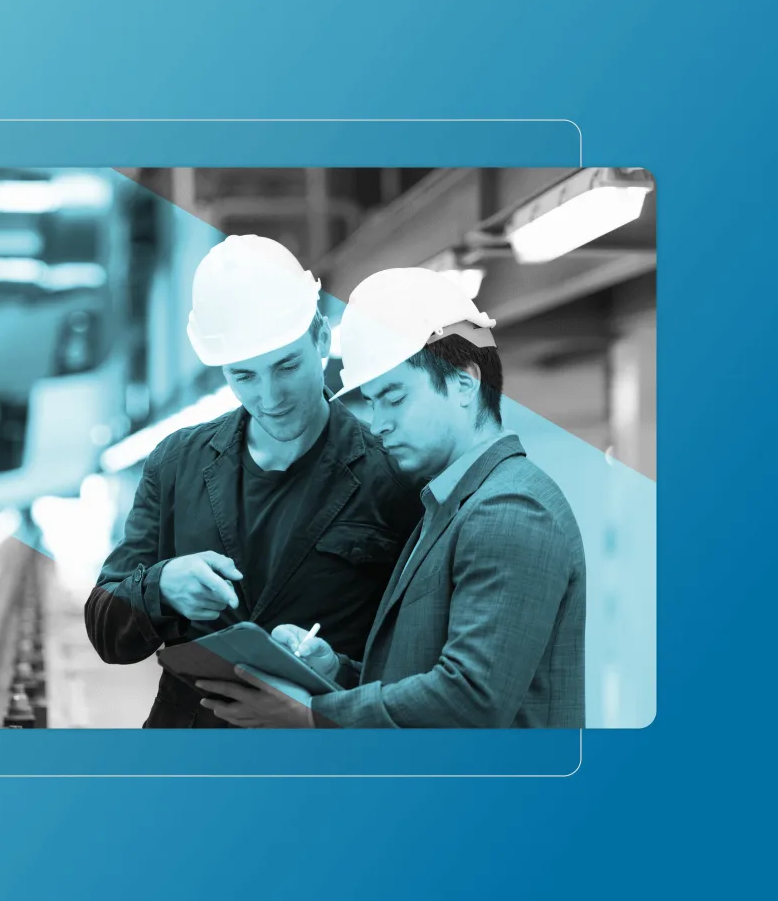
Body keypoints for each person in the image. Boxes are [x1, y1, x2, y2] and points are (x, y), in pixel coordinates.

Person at [197, 267, 587, 728]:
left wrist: (309, 716)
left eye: (394, 398)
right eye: (372, 401)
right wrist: (336, 671)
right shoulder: (453, 506)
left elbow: (471, 700)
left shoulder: (511, 511)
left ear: (464, 382)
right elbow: (419, 674)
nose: (378, 423)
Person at [84, 236, 424, 728]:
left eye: (286, 366)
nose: (270, 397)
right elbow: (105, 631)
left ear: (323, 339)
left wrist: (339, 671)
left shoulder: (393, 473)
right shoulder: (177, 463)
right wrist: (161, 588)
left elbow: (421, 662)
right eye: (244, 376)